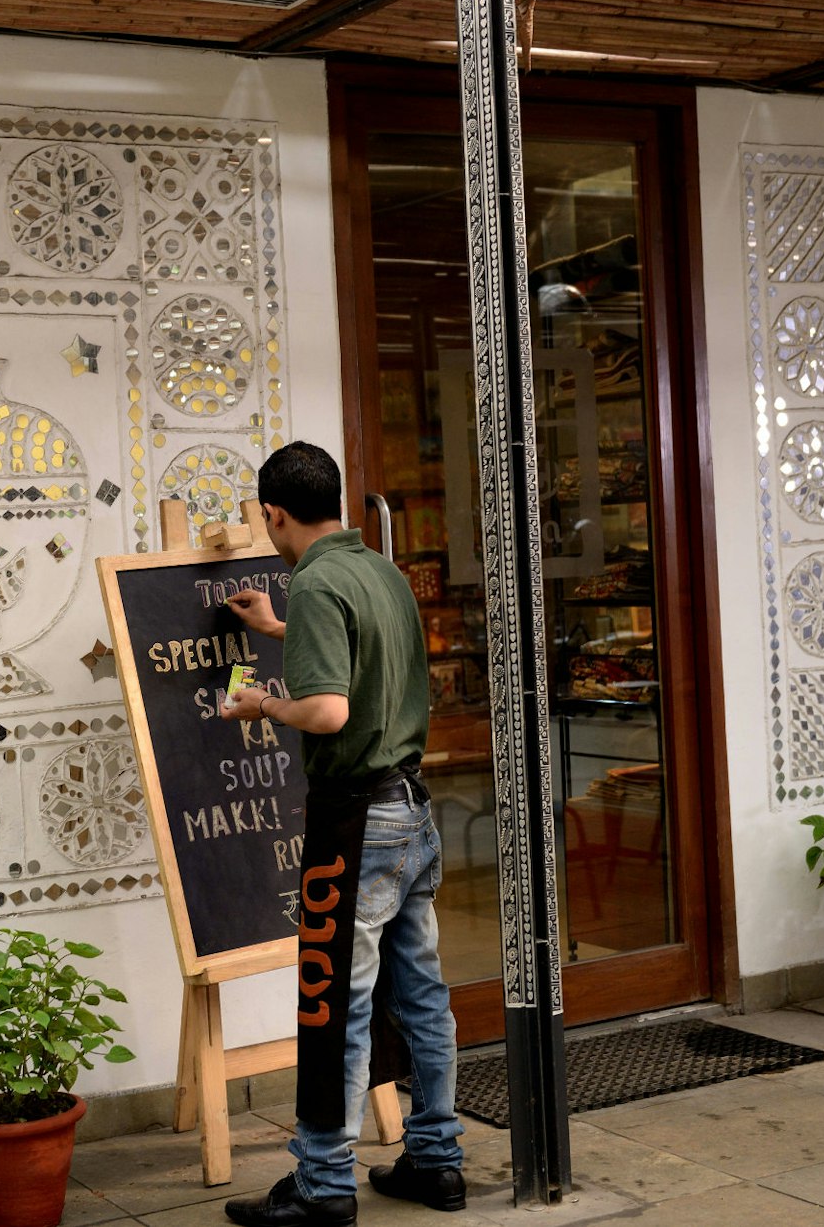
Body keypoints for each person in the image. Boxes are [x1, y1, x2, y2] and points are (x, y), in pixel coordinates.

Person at [219, 442, 464, 1227]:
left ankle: (324, 1187)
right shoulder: (379, 570)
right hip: (413, 812)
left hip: (356, 818)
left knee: (335, 1003)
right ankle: (438, 1161)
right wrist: (281, 626)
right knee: (421, 996)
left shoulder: (318, 580)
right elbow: (361, 656)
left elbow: (327, 711)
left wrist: (262, 705)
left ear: (274, 514)